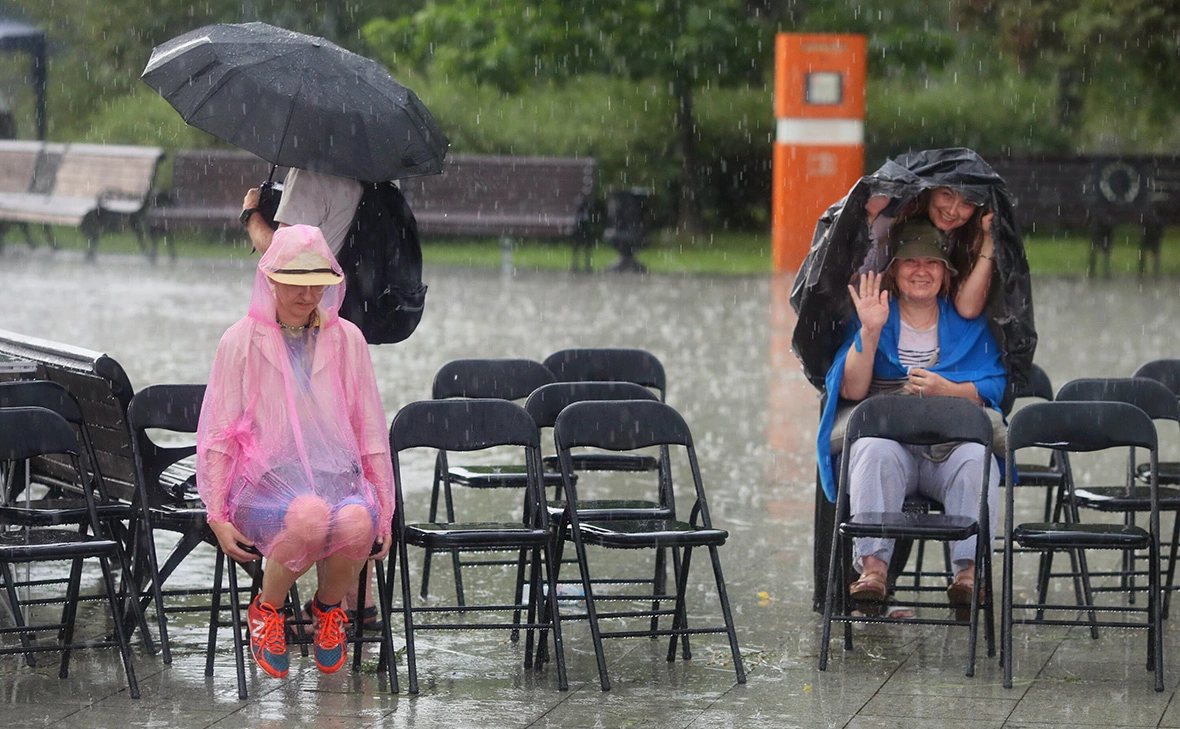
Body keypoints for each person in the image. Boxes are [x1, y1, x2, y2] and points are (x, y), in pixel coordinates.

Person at [196, 224, 394, 678]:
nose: (308, 294)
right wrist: (217, 514)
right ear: (271, 279)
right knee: (308, 515)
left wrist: (384, 507)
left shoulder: (347, 341)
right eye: (296, 282)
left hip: (334, 481)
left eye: (317, 283)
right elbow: (220, 435)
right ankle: (267, 611)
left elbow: (369, 433)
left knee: (356, 519)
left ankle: (327, 608)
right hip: (262, 488)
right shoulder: (240, 342)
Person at [817, 217, 1007, 617]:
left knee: (980, 460)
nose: (922, 270)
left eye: (932, 263)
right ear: (894, 271)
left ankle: (970, 576)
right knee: (868, 447)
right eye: (910, 262)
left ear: (945, 274)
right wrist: (869, 333)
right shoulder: (874, 313)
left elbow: (995, 385)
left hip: (949, 453)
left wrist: (949, 392)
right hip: (895, 454)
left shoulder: (968, 326)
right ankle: (873, 572)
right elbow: (850, 390)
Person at [860, 186, 996, 320]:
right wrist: (870, 216)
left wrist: (989, 241)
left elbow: (968, 309)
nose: (952, 211)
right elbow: (851, 276)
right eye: (947, 195)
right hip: (869, 310)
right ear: (930, 190)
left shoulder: (968, 237)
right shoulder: (888, 216)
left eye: (966, 203)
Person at [241, 168, 363, 256]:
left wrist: (250, 211)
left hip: (310, 289)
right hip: (347, 285)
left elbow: (281, 254)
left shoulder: (310, 174)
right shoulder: (361, 173)